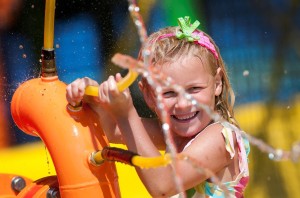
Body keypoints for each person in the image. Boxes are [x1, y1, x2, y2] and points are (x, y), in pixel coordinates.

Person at [66, 16, 250, 198]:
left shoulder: (221, 138)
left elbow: (164, 186)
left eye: (194, 89)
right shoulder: (172, 134)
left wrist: (126, 113)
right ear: (148, 95)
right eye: (168, 93)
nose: (183, 104)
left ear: (217, 83)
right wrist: (93, 96)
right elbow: (111, 129)